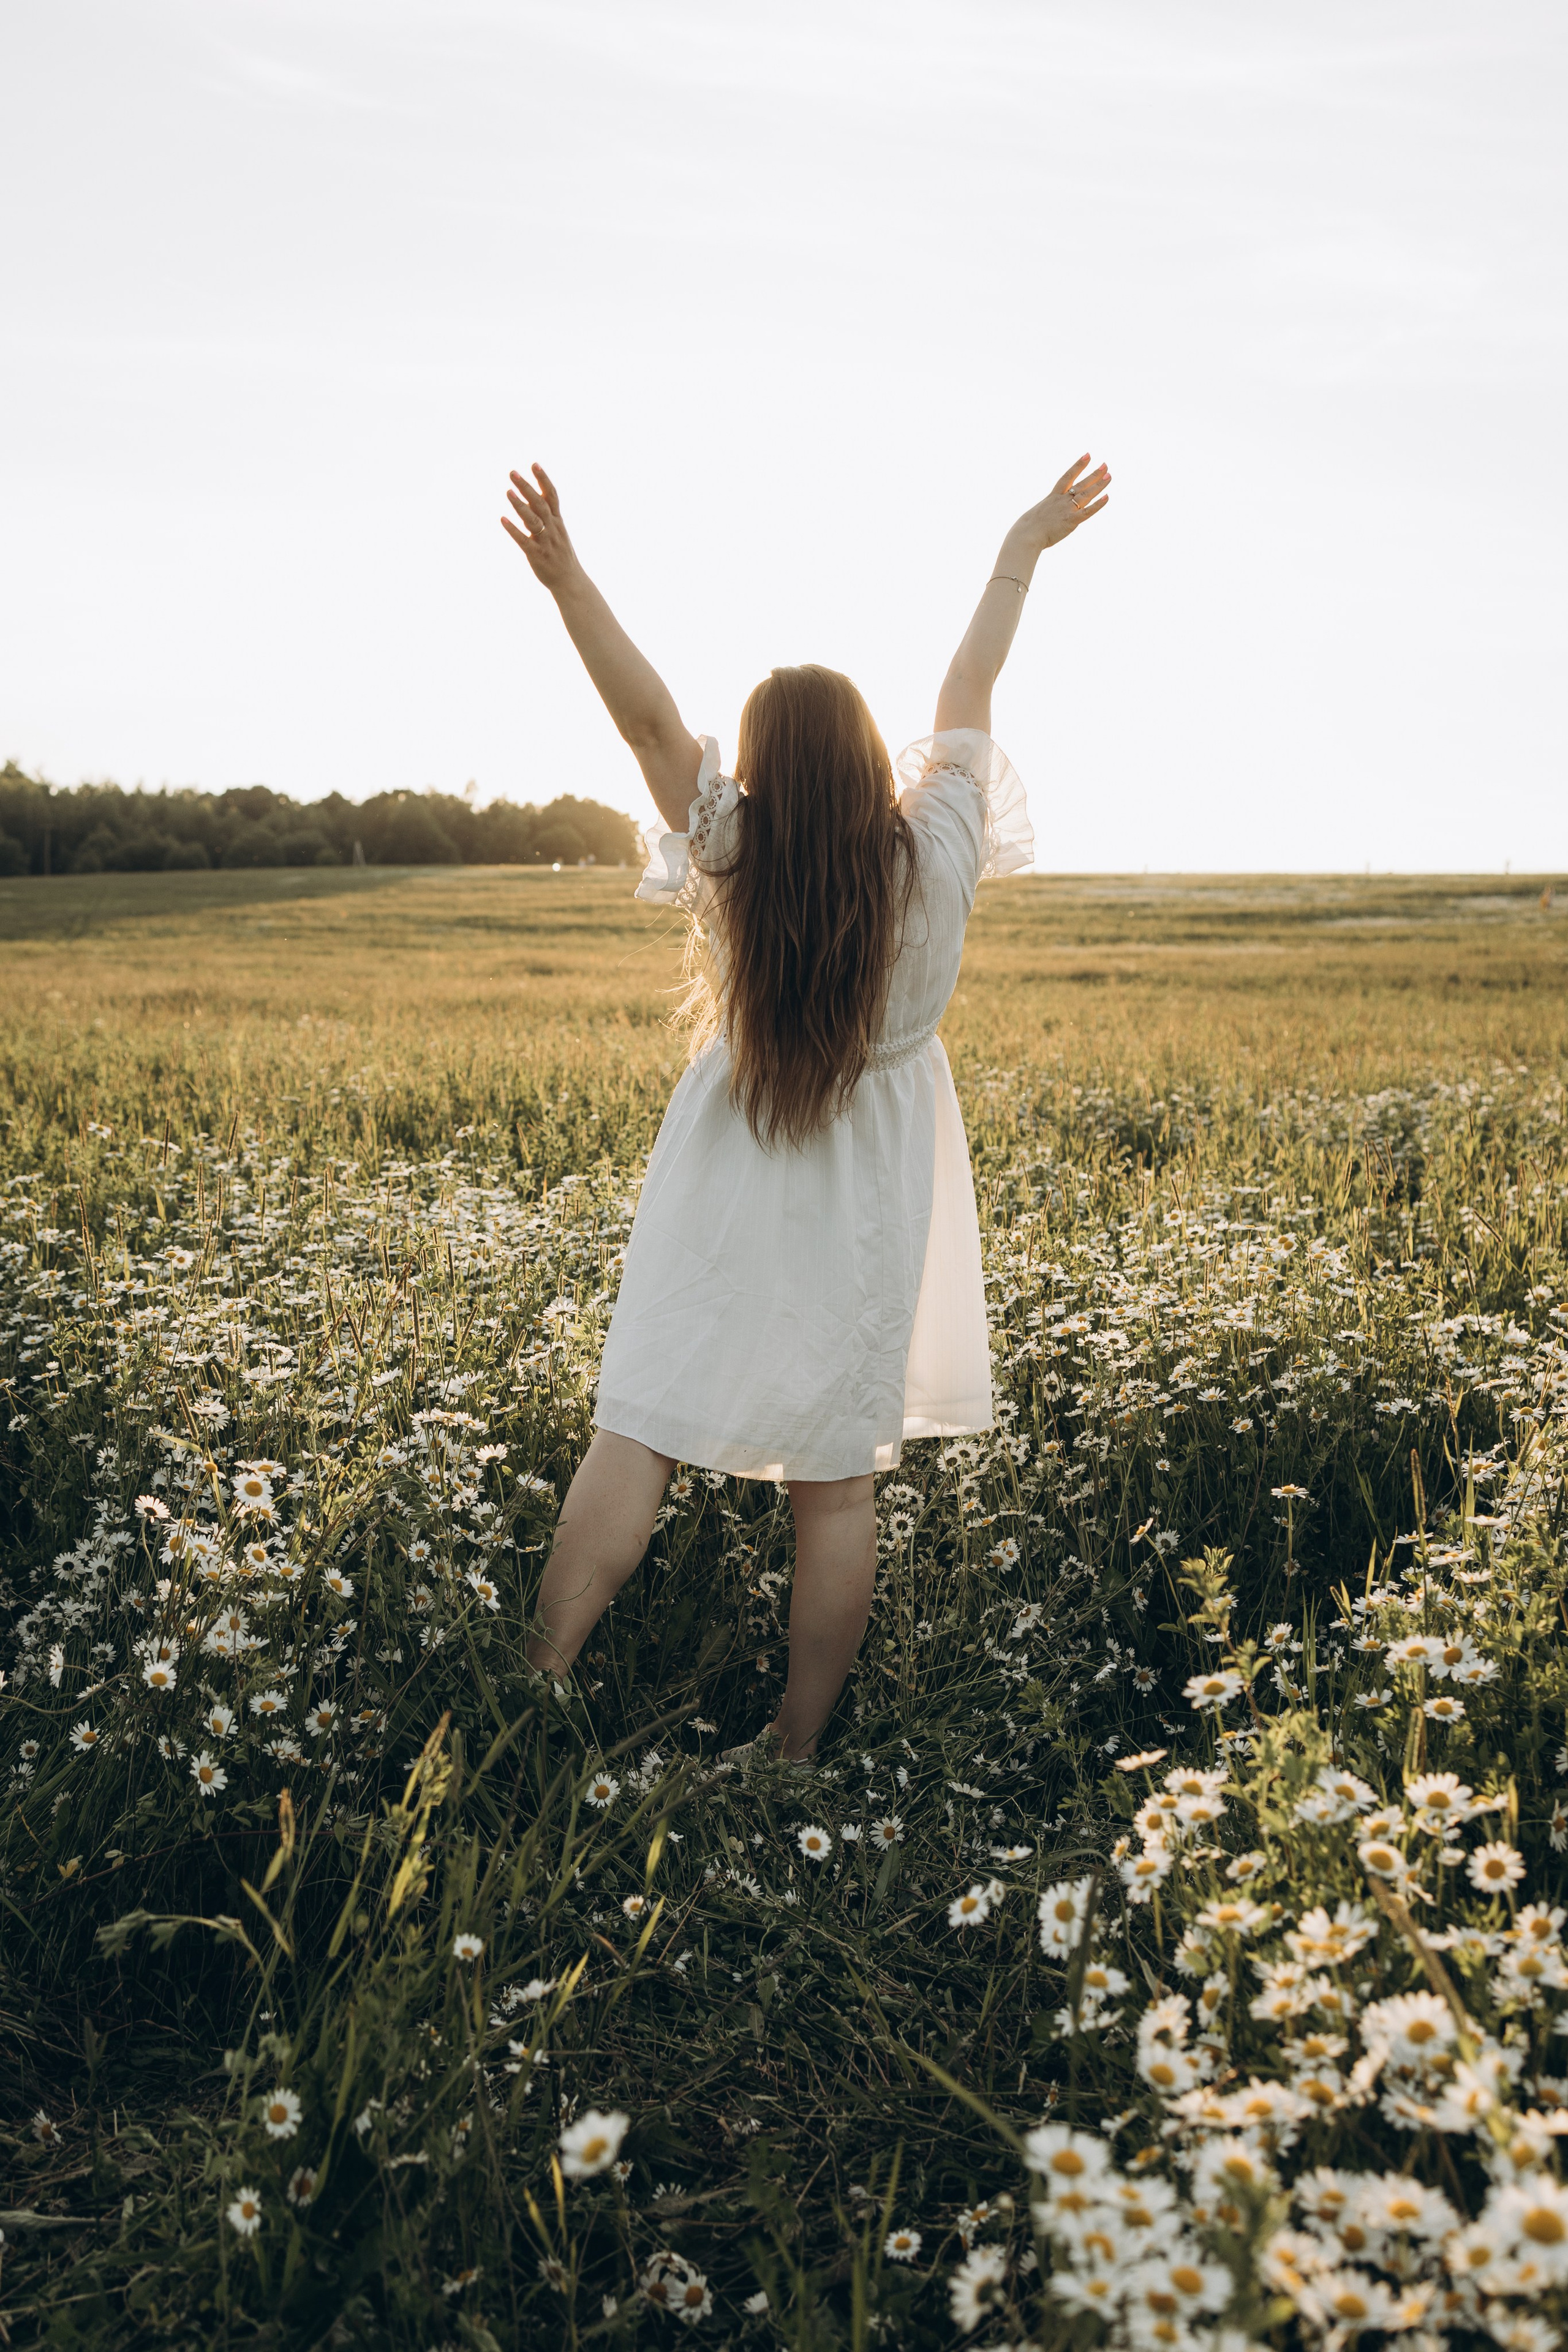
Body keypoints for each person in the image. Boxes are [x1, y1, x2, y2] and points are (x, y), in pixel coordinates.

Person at [500, 453, 1110, 1762]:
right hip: (870, 1196)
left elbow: (650, 727)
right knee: (834, 1491)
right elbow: (968, 684)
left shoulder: (736, 854)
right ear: (869, 762)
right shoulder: (936, 848)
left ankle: (538, 1681)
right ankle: (789, 1751)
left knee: (642, 1423)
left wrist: (566, 581)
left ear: (769, 772)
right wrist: (1021, 545)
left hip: (726, 1175)